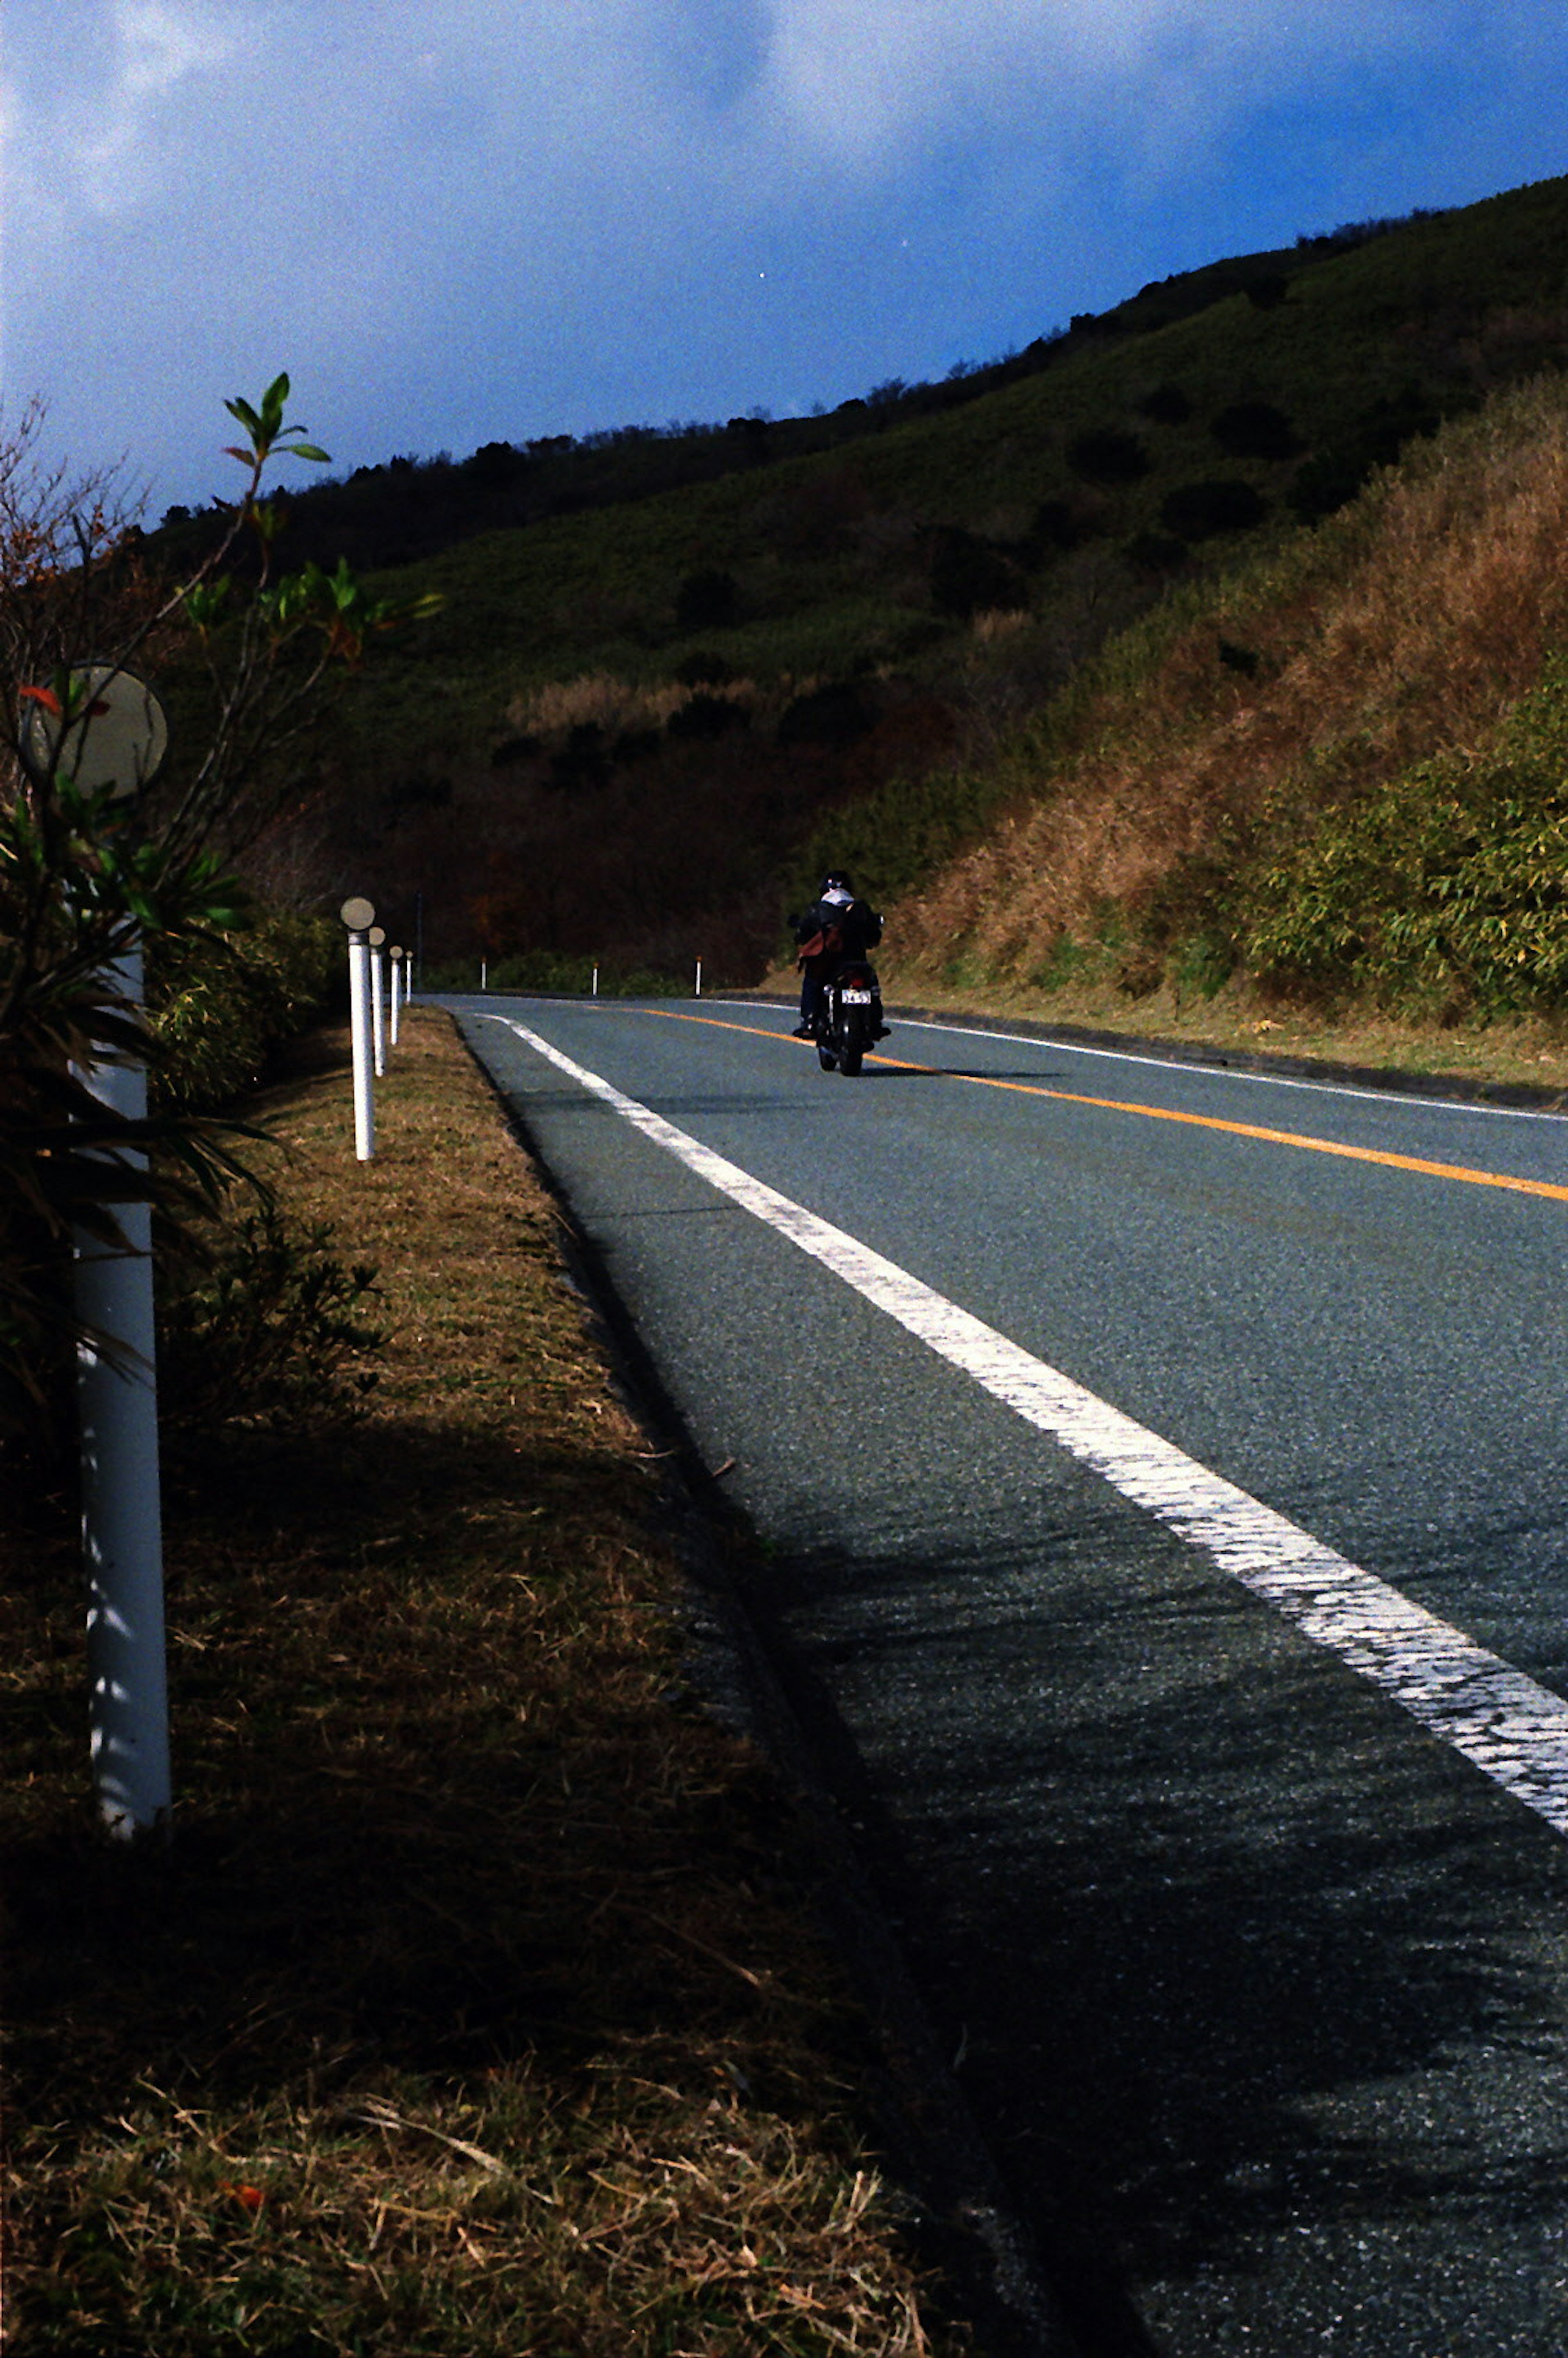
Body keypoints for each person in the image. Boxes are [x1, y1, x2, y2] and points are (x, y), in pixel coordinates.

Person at [789, 870, 886, 1037]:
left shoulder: (818, 909)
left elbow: (803, 933)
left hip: (828, 962)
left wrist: (801, 934)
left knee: (812, 981)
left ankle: (810, 1021)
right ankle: (875, 1021)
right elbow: (874, 937)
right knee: (872, 983)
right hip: (856, 961)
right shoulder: (860, 908)